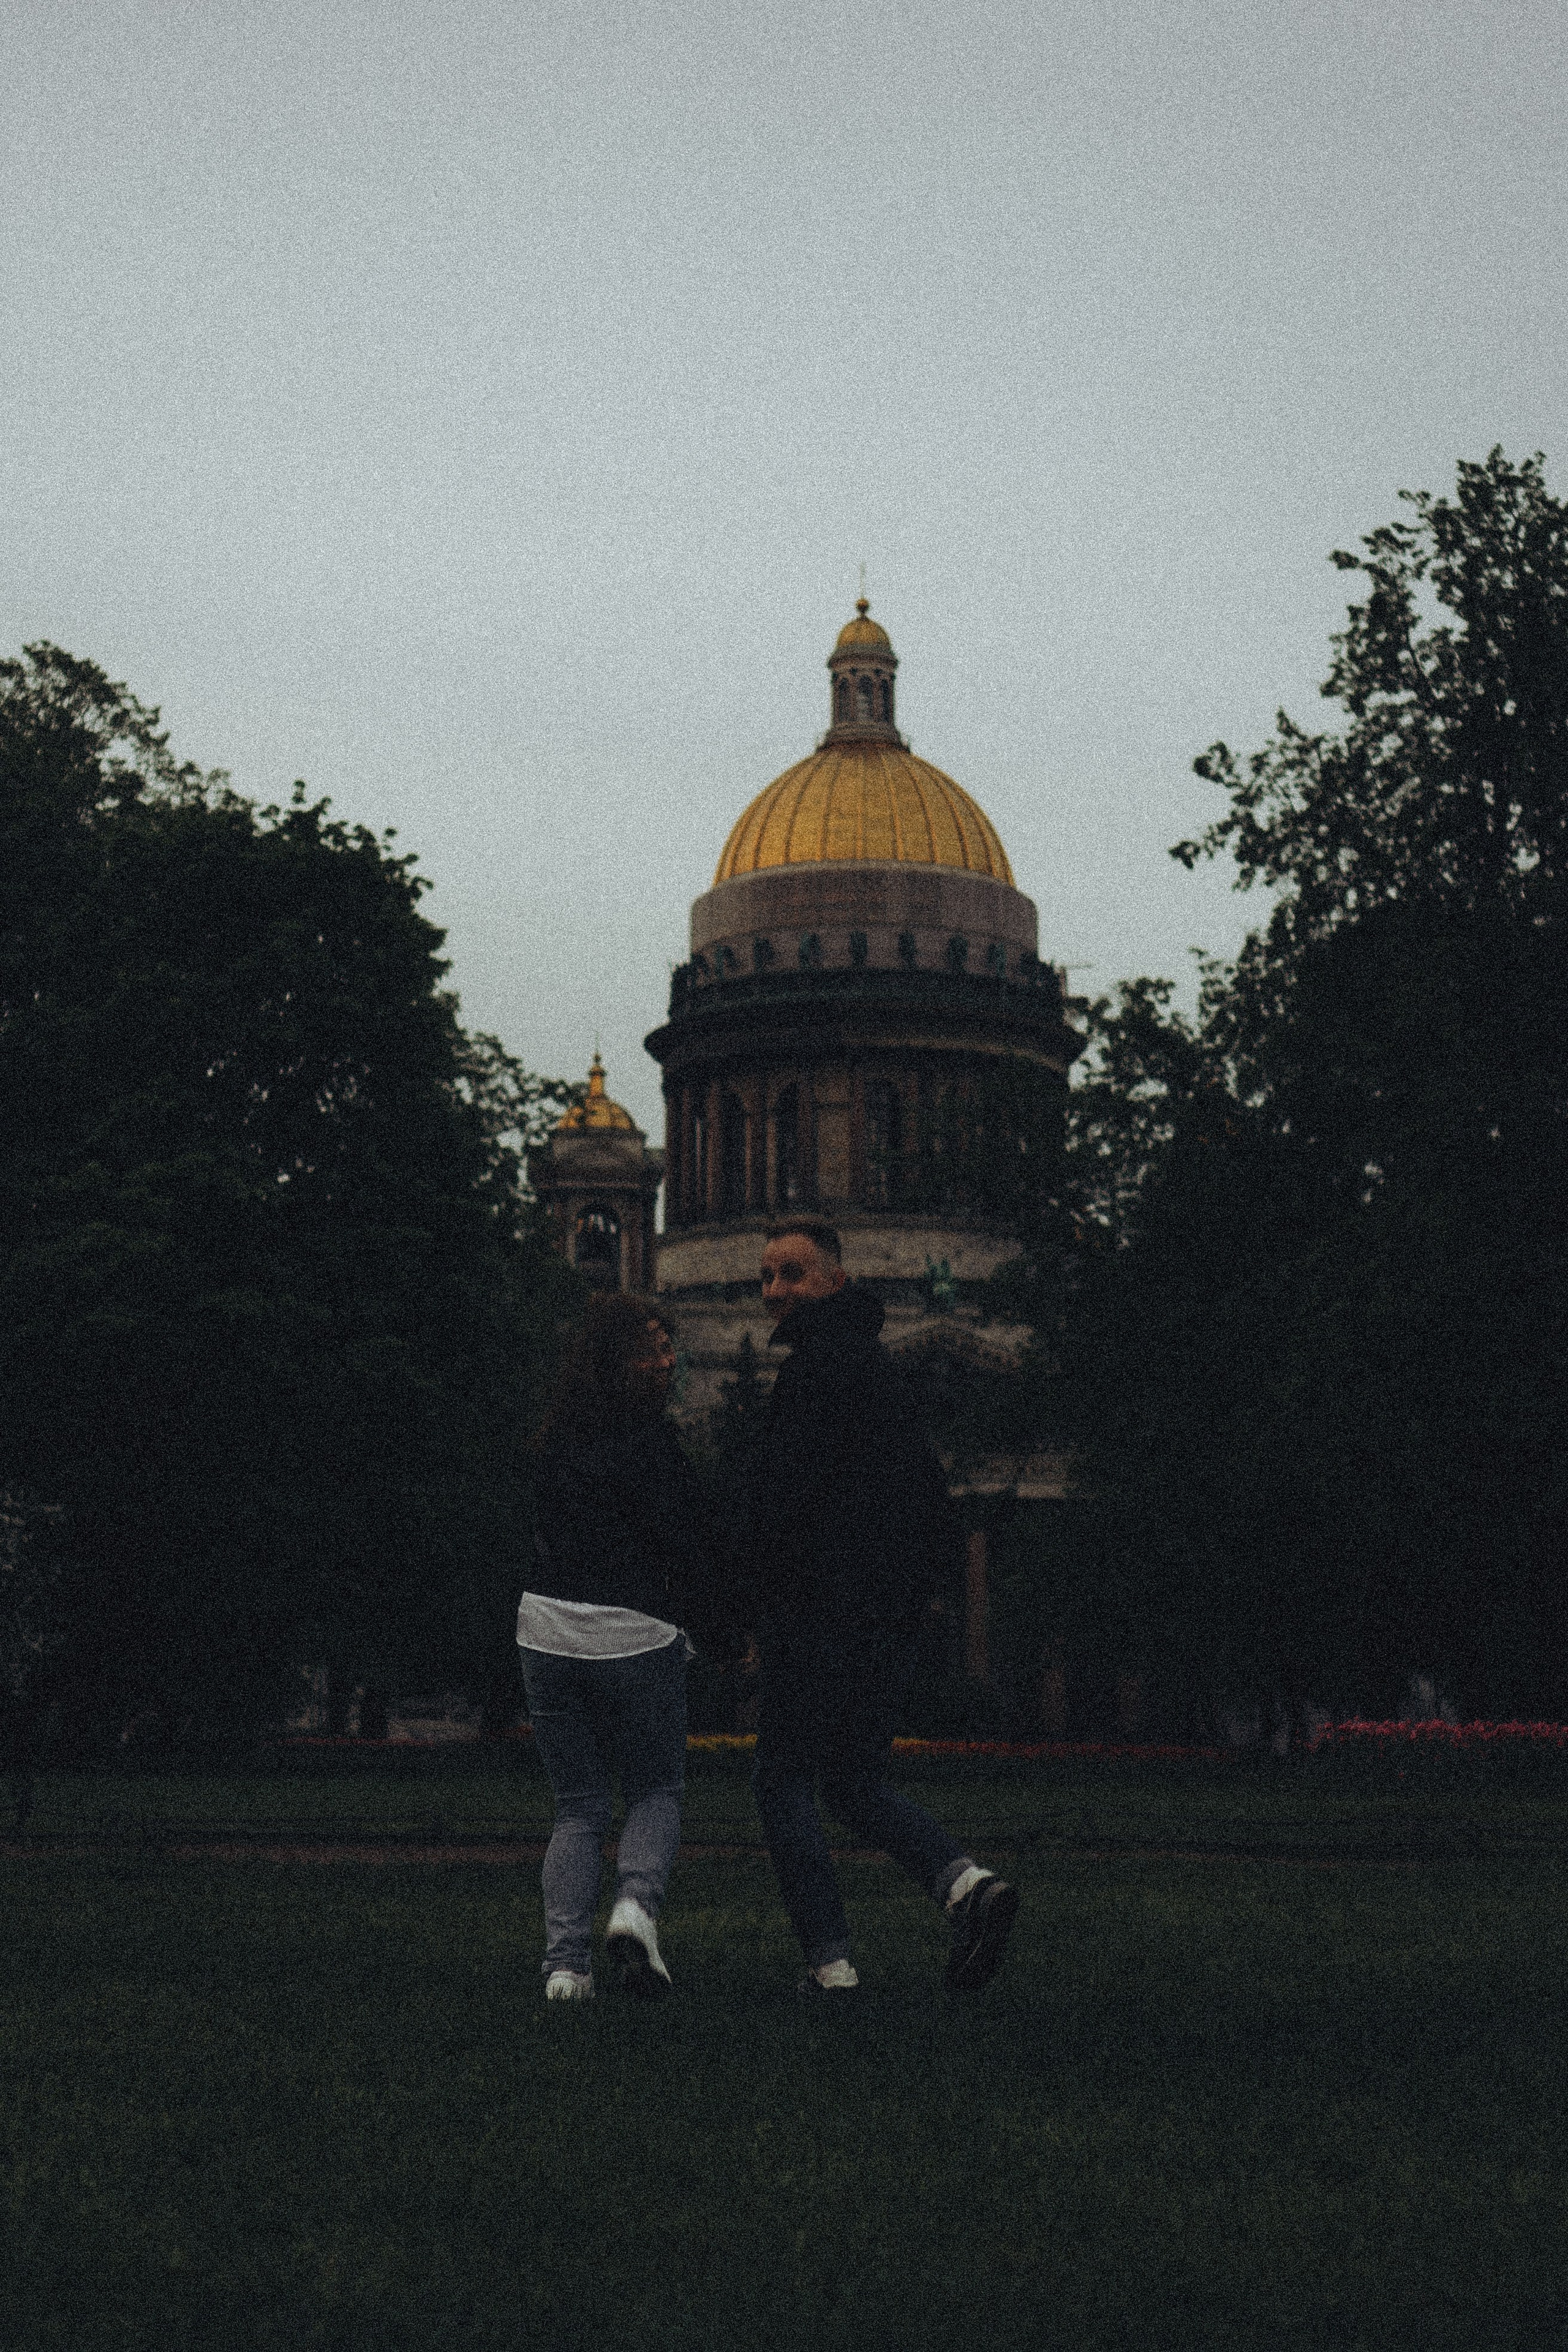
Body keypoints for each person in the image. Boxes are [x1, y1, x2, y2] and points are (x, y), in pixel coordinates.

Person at [744, 1218, 1020, 1996]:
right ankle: (967, 1886)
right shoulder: (881, 1371)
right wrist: (916, 1599)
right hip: (882, 1619)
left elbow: (780, 1508)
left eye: (791, 1275)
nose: (773, 1293)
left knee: (783, 1778)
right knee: (855, 1779)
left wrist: (760, 1607)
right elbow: (929, 1501)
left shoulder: (811, 1375)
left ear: (835, 1279)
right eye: (765, 1277)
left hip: (819, 1616)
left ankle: (830, 1964)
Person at [518, 1292, 714, 2002]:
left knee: (577, 1805)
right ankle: (635, 1909)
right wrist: (720, 1629)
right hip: (632, 1631)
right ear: (620, 1359)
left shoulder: (553, 1438)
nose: (670, 1360)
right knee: (655, 1788)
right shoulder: (651, 1443)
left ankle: (566, 1969)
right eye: (657, 1346)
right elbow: (687, 1546)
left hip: (544, 1626)